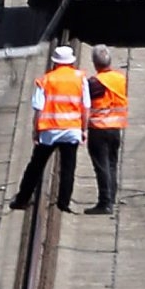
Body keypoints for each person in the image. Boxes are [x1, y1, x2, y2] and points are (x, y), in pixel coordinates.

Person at [11, 45, 88, 212]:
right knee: (68, 167)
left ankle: (22, 199)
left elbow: (38, 108)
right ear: (71, 62)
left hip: (49, 131)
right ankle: (63, 203)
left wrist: (36, 131)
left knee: (36, 166)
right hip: (72, 130)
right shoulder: (80, 78)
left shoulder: (46, 80)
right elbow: (86, 106)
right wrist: (84, 129)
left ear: (55, 62)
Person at [85, 45, 128, 215]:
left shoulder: (95, 83)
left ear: (95, 63)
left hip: (99, 129)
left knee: (101, 166)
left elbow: (86, 102)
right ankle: (111, 198)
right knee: (111, 164)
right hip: (115, 127)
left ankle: (105, 202)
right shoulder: (120, 78)